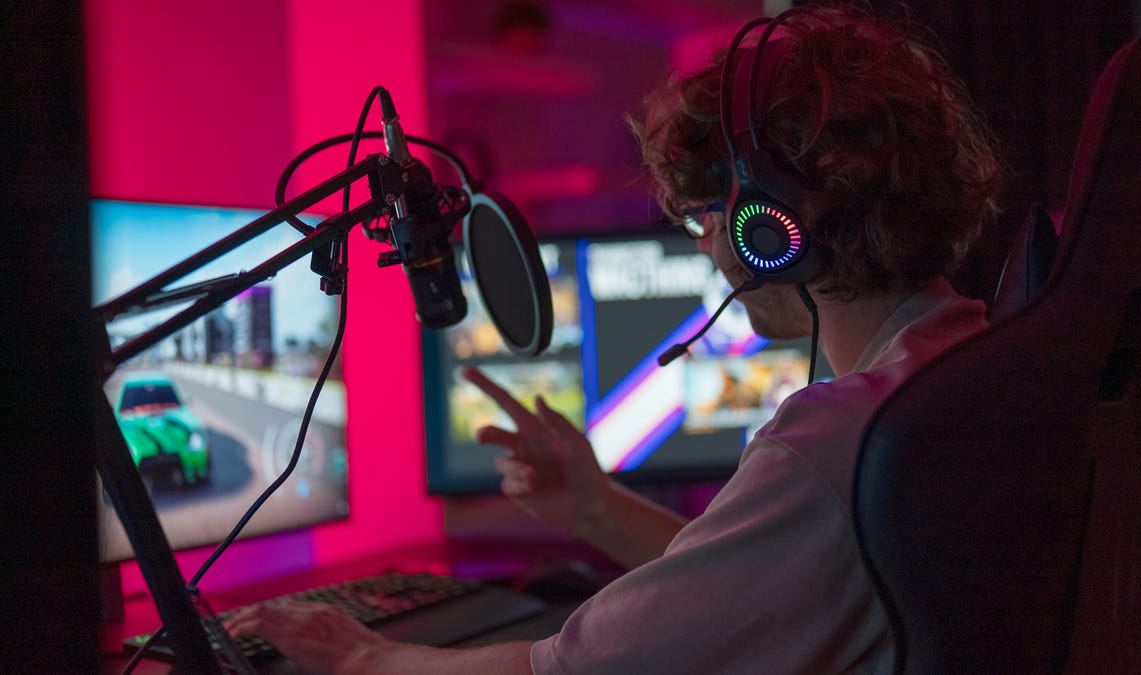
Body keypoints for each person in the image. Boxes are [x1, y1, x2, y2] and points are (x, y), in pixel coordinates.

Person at [226, 4, 1003, 673]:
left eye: (707, 218)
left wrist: (362, 656)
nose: (705, 246)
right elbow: (749, 588)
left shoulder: (839, 441)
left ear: (773, 226)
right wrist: (596, 507)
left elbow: (572, 669)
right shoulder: (964, 360)